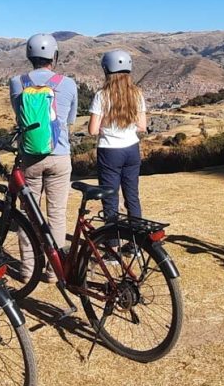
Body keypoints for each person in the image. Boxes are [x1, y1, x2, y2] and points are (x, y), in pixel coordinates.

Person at [9, 33, 78, 282]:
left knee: (29, 215)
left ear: (29, 55)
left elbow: (20, 116)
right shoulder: (68, 84)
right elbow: (69, 121)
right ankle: (53, 271)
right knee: (56, 214)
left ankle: (28, 270)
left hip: (29, 157)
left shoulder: (17, 82)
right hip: (60, 156)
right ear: (54, 56)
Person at [88, 49, 146, 220]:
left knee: (110, 198)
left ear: (106, 70)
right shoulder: (137, 94)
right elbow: (142, 126)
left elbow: (92, 130)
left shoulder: (102, 95)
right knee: (132, 197)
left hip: (109, 151)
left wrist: (106, 128)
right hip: (132, 149)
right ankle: (136, 240)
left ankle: (112, 242)